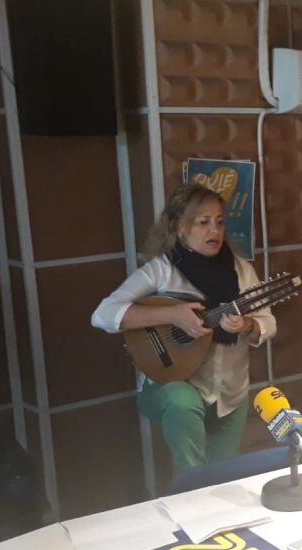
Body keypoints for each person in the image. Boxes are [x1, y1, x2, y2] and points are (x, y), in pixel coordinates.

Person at [91, 184, 276, 473]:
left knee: (224, 478)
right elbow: (103, 314)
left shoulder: (240, 270)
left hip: (230, 391)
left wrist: (247, 324)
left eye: (219, 222)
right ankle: (188, 495)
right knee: (187, 433)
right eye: (203, 222)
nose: (213, 230)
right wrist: (172, 314)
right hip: (172, 383)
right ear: (179, 228)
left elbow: (268, 323)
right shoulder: (162, 270)